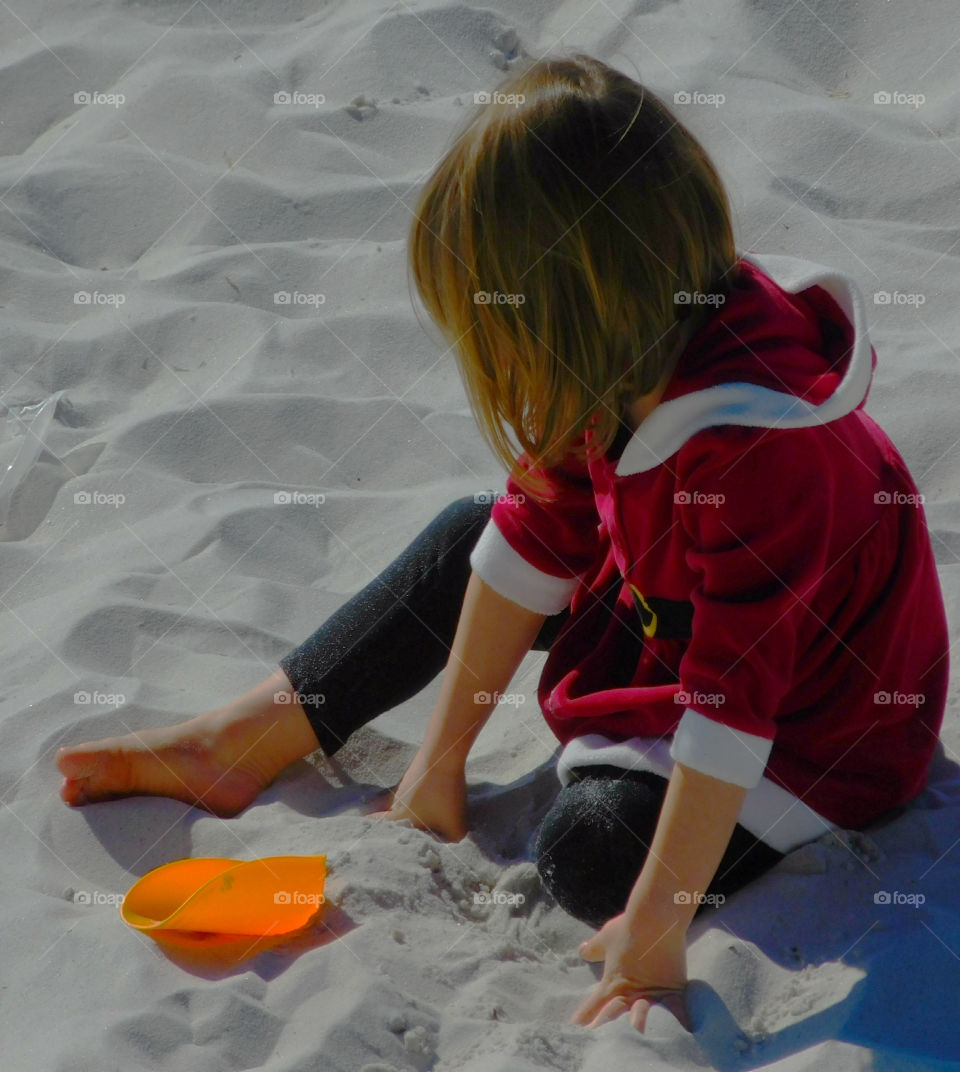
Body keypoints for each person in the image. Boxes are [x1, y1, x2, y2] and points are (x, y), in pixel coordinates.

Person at [56, 53, 949, 1034]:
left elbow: (733, 706)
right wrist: (440, 759)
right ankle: (256, 729)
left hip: (816, 723)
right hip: (673, 614)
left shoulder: (755, 449)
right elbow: (536, 529)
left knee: (589, 848)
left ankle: (659, 865)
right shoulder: (625, 336)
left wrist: (658, 922)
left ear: (571, 306)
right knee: (467, 534)